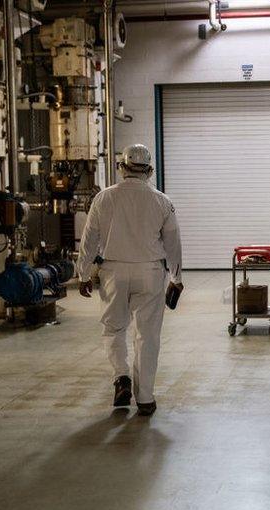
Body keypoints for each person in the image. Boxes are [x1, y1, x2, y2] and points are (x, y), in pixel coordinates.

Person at [76, 143, 183, 416]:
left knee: (113, 329)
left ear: (121, 168)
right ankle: (145, 398)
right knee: (147, 335)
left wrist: (83, 272)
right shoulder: (162, 201)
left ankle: (121, 377)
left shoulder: (103, 198)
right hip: (150, 273)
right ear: (149, 170)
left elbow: (89, 238)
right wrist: (176, 277)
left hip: (113, 272)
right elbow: (173, 243)